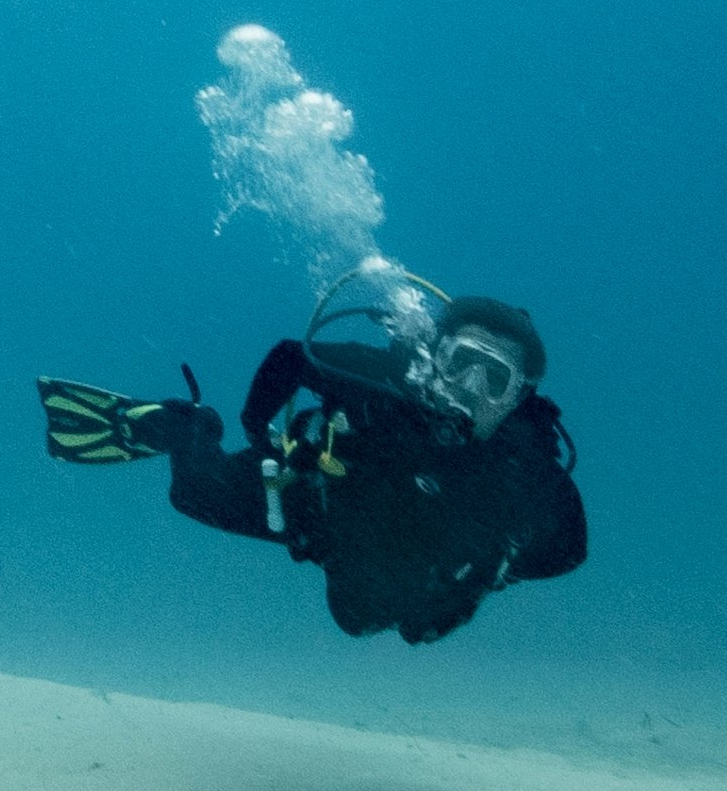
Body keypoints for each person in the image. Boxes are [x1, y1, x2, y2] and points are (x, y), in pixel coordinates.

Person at [38, 273, 586, 645]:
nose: (470, 387)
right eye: (461, 361)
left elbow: (569, 548)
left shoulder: (523, 467)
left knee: (369, 614)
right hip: (313, 502)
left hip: (400, 562)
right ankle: (182, 427)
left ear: (517, 400)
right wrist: (259, 434)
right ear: (433, 357)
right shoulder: (384, 386)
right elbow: (292, 359)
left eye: (495, 378)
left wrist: (495, 566)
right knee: (193, 494)